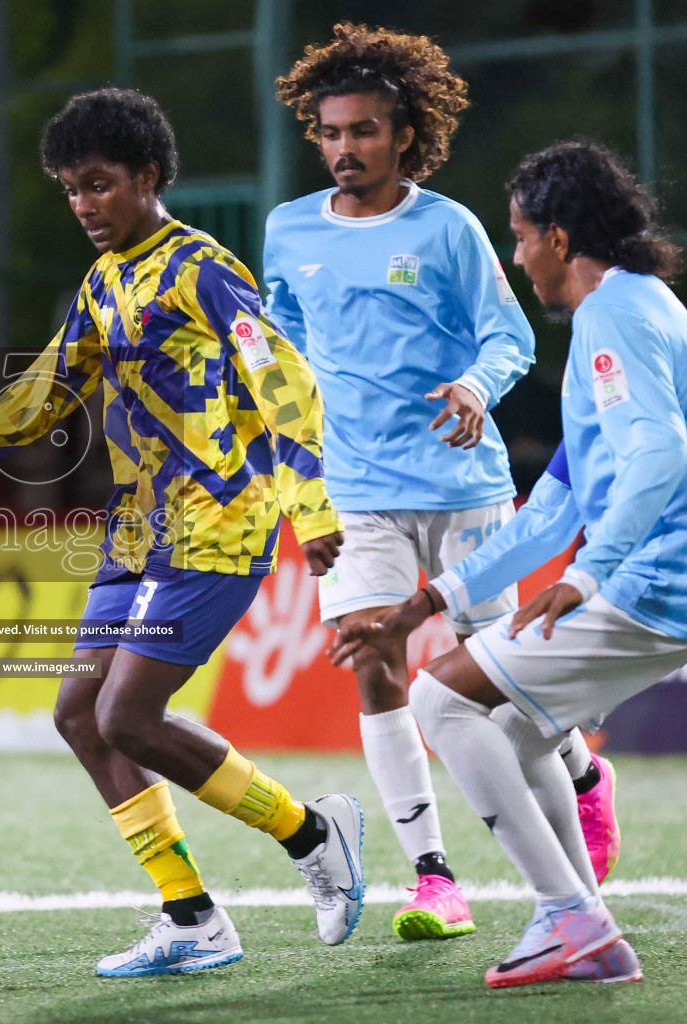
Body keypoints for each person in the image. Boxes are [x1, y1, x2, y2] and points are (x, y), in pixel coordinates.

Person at [0, 88, 364, 978]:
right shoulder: (105, 284)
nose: (84, 206)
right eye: (70, 189)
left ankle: (314, 835)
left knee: (127, 714)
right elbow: (40, 401)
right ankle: (192, 916)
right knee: (79, 715)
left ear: (148, 177)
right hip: (137, 533)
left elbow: (281, 376)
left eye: (98, 185)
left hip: (218, 524)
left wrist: (309, 501)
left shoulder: (203, 270)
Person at [330, 140, 687, 987]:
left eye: (521, 237)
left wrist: (588, 575)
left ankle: (571, 918)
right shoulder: (635, 306)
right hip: (682, 580)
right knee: (518, 726)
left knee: (441, 699)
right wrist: (429, 603)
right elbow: (554, 505)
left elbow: (660, 454)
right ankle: (580, 918)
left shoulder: (613, 315)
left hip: (662, 581)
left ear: (559, 238)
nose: (517, 257)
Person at [264, 23, 619, 941]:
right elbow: (285, 349)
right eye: (333, 133)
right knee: (373, 665)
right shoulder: (288, 229)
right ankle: (433, 878)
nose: (346, 148)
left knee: (494, 676)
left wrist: (473, 384)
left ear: (405, 134)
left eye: (366, 132)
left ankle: (580, 771)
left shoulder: (451, 228)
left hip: (462, 488)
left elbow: (514, 337)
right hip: (353, 492)